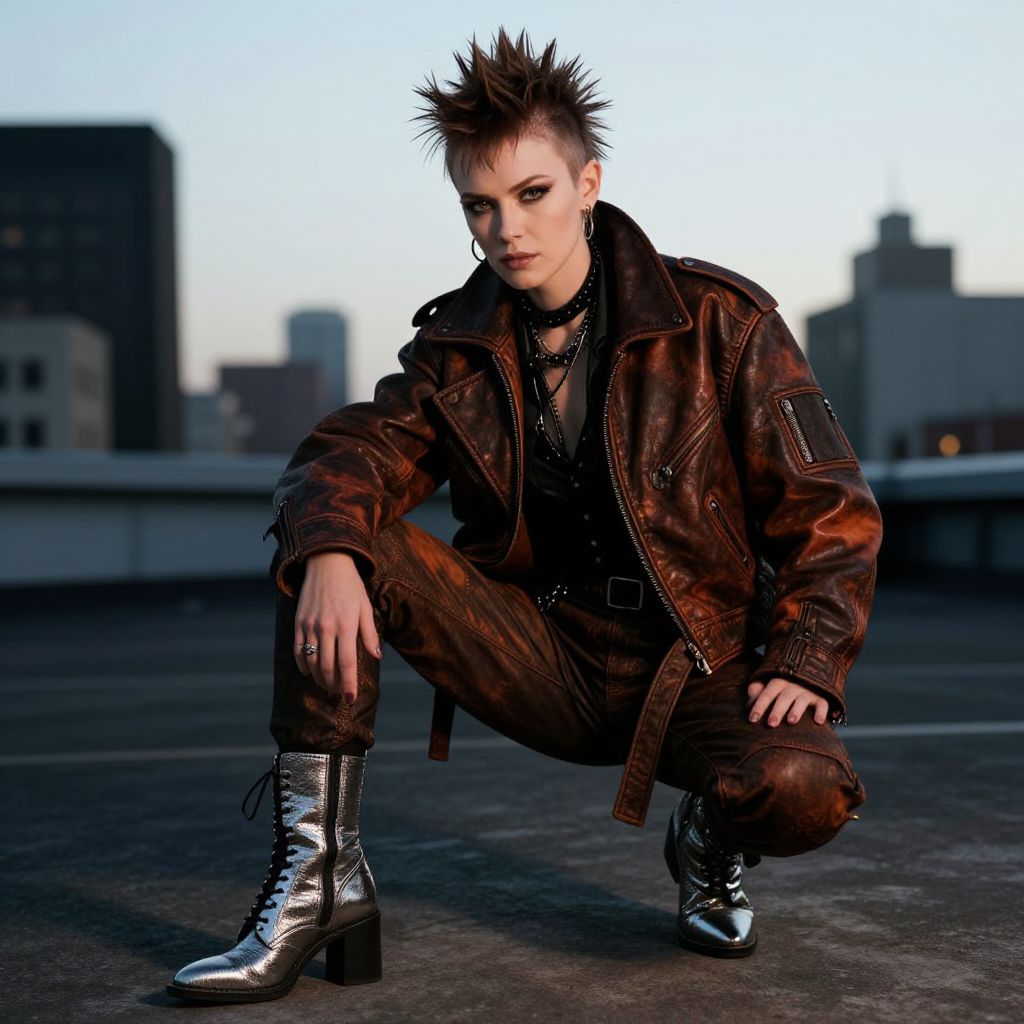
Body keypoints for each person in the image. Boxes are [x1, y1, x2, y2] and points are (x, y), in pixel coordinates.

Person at [167, 26, 883, 1004]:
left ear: (587, 183)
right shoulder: (457, 351)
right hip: (538, 649)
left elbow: (831, 511)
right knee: (338, 540)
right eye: (480, 204)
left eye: (532, 193)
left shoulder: (720, 320)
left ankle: (708, 840)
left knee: (803, 789)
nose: (507, 228)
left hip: (698, 665)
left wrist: (809, 654)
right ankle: (320, 878)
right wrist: (330, 549)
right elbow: (348, 453)